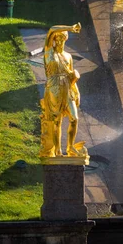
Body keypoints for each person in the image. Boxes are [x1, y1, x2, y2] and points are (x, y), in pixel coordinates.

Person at [40, 23, 87, 158]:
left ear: (66, 39)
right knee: (57, 120)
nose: (59, 40)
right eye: (57, 38)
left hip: (67, 88)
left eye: (62, 38)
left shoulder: (68, 56)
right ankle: (58, 150)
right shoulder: (49, 51)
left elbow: (71, 75)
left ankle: (70, 147)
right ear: (53, 40)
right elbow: (51, 29)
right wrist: (70, 28)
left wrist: (76, 92)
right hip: (54, 87)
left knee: (74, 118)